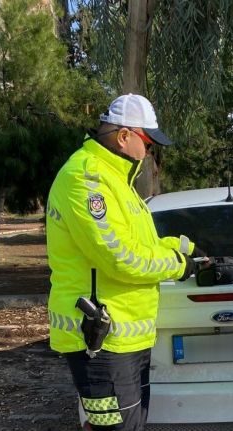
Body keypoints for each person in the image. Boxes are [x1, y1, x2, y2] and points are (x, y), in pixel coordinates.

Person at [45, 94, 205, 431]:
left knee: (122, 427)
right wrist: (180, 265)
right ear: (124, 136)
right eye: (147, 143)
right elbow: (121, 258)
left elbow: (141, 244)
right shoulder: (86, 180)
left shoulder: (117, 181)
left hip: (123, 339)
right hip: (100, 339)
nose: (149, 153)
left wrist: (195, 252)